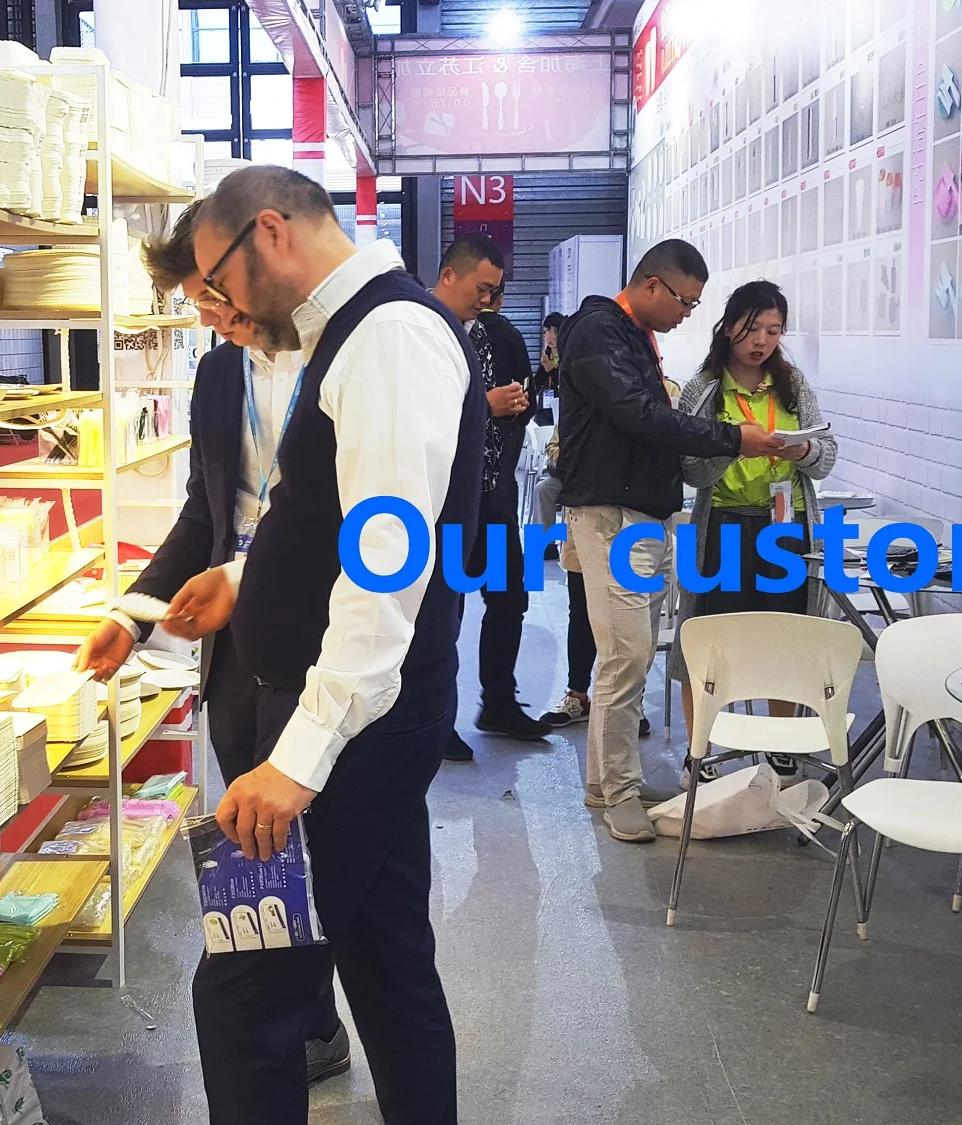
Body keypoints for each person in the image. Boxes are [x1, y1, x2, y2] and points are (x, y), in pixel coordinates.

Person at [174, 164, 481, 1125]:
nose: (222, 308)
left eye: (218, 281)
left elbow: (387, 567)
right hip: (358, 717)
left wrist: (299, 758)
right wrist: (244, 578)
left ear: (269, 232)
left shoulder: (388, 335)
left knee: (245, 991)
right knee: (385, 957)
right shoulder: (351, 333)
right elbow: (331, 518)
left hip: (353, 725)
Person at [71, 201, 352, 1087]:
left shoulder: (343, 353)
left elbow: (360, 526)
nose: (214, 318)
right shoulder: (219, 373)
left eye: (217, 296)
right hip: (236, 660)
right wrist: (133, 613)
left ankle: (303, 1012)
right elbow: (207, 510)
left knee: (329, 847)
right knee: (259, 844)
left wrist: (250, 574)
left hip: (328, 645)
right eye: (199, 303)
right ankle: (305, 1020)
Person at [555, 238, 782, 843]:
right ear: (652, 285)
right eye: (685, 301)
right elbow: (641, 416)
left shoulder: (632, 336)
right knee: (626, 656)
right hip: (612, 515)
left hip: (644, 516)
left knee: (629, 656)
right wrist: (733, 439)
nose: (687, 314)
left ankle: (609, 781)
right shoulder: (599, 331)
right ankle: (618, 793)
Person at [671, 281, 838, 747]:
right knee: (710, 645)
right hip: (723, 526)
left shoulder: (792, 384)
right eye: (751, 328)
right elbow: (690, 470)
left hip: (785, 529)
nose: (761, 341)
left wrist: (801, 450)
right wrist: (735, 444)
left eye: (773, 330)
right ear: (728, 327)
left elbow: (826, 456)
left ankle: (779, 746)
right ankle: (699, 753)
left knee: (783, 642)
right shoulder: (704, 389)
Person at [428, 234, 547, 761]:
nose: (488, 299)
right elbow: (411, 412)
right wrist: (483, 404)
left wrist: (517, 403)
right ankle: (435, 721)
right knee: (442, 613)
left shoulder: (501, 334)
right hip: (442, 504)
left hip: (493, 495)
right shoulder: (419, 331)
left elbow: (525, 400)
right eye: (481, 288)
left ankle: (498, 702)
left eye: (496, 291)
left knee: (508, 598)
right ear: (448, 275)